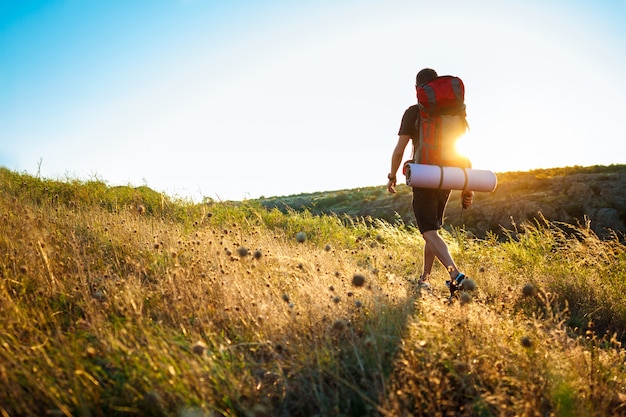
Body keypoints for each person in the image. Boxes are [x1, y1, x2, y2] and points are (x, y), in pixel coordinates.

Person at [386, 67, 474, 298]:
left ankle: (455, 275)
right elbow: (462, 149)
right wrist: (467, 184)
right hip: (448, 176)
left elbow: (399, 151)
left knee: (427, 231)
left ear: (419, 89)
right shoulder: (455, 112)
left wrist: (392, 175)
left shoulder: (415, 112)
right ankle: (425, 278)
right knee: (432, 229)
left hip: (425, 176)